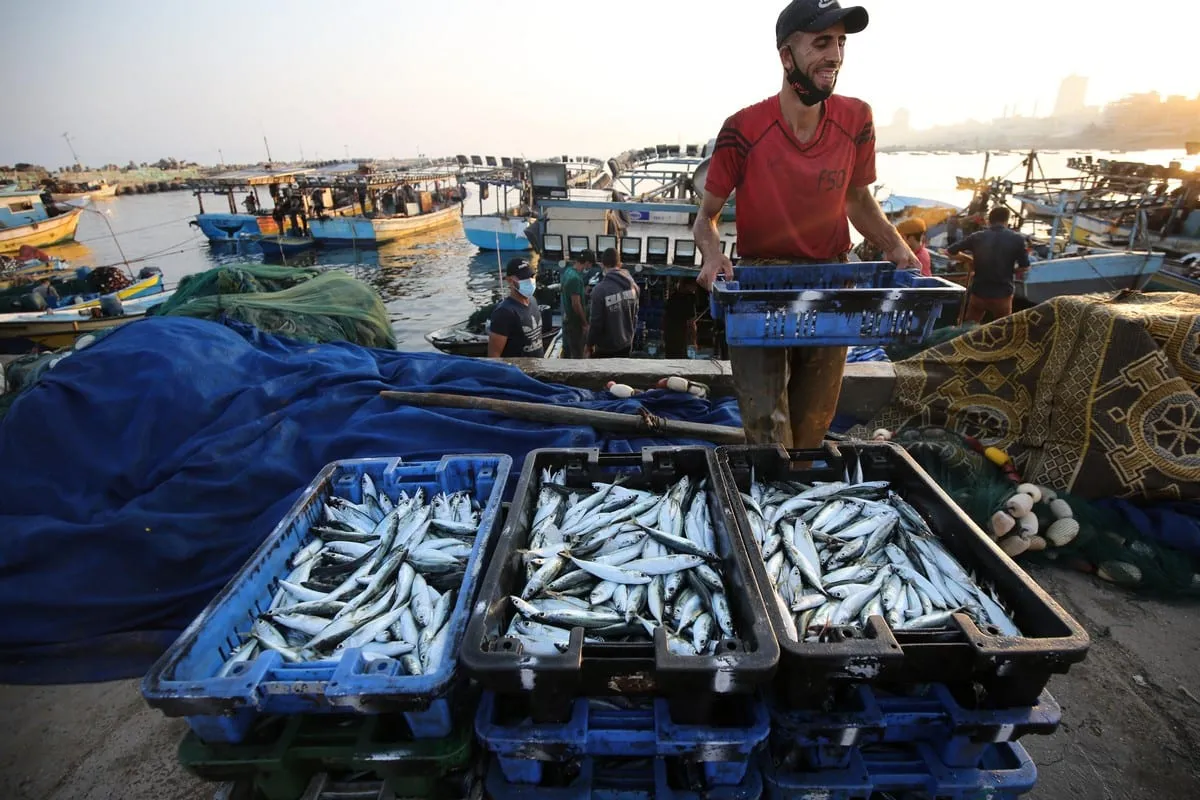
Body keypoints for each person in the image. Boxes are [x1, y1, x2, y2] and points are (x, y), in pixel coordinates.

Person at [694, 0, 919, 448]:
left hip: (832, 279)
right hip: (761, 285)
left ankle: (800, 492)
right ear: (786, 56)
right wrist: (714, 254)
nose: (835, 54)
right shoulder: (742, 128)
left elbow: (857, 198)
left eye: (840, 42)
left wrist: (894, 245)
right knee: (765, 426)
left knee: (815, 421)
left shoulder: (857, 118)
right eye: (821, 43)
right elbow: (707, 216)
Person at [947, 206, 1029, 324]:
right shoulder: (1017, 239)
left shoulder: (977, 236)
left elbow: (949, 252)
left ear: (989, 220)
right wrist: (1009, 270)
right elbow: (1025, 267)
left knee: (969, 328)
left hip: (979, 293)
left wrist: (969, 259)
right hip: (1003, 294)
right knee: (1002, 330)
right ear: (1007, 221)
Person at [587, 248, 640, 358]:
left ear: (602, 265)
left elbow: (596, 323)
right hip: (626, 345)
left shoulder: (599, 290)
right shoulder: (633, 286)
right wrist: (630, 337)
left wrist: (589, 344)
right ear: (620, 264)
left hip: (605, 349)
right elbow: (635, 316)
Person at [487, 258, 545, 358]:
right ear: (510, 281)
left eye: (531, 276)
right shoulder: (504, 312)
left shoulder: (533, 301)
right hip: (517, 371)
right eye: (523, 278)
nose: (530, 281)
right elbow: (494, 355)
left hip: (538, 368)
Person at [560, 249, 592, 359]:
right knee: (577, 354)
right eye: (590, 264)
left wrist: (583, 291)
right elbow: (576, 304)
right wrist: (584, 324)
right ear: (587, 262)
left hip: (567, 319)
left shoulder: (568, 272)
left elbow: (570, 293)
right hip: (574, 323)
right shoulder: (575, 279)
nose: (590, 267)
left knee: (568, 349)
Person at [663, 279, 701, 359]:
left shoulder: (672, 297)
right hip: (681, 335)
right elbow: (692, 322)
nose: (696, 288)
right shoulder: (690, 298)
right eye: (694, 286)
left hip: (670, 334)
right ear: (687, 285)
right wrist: (694, 342)